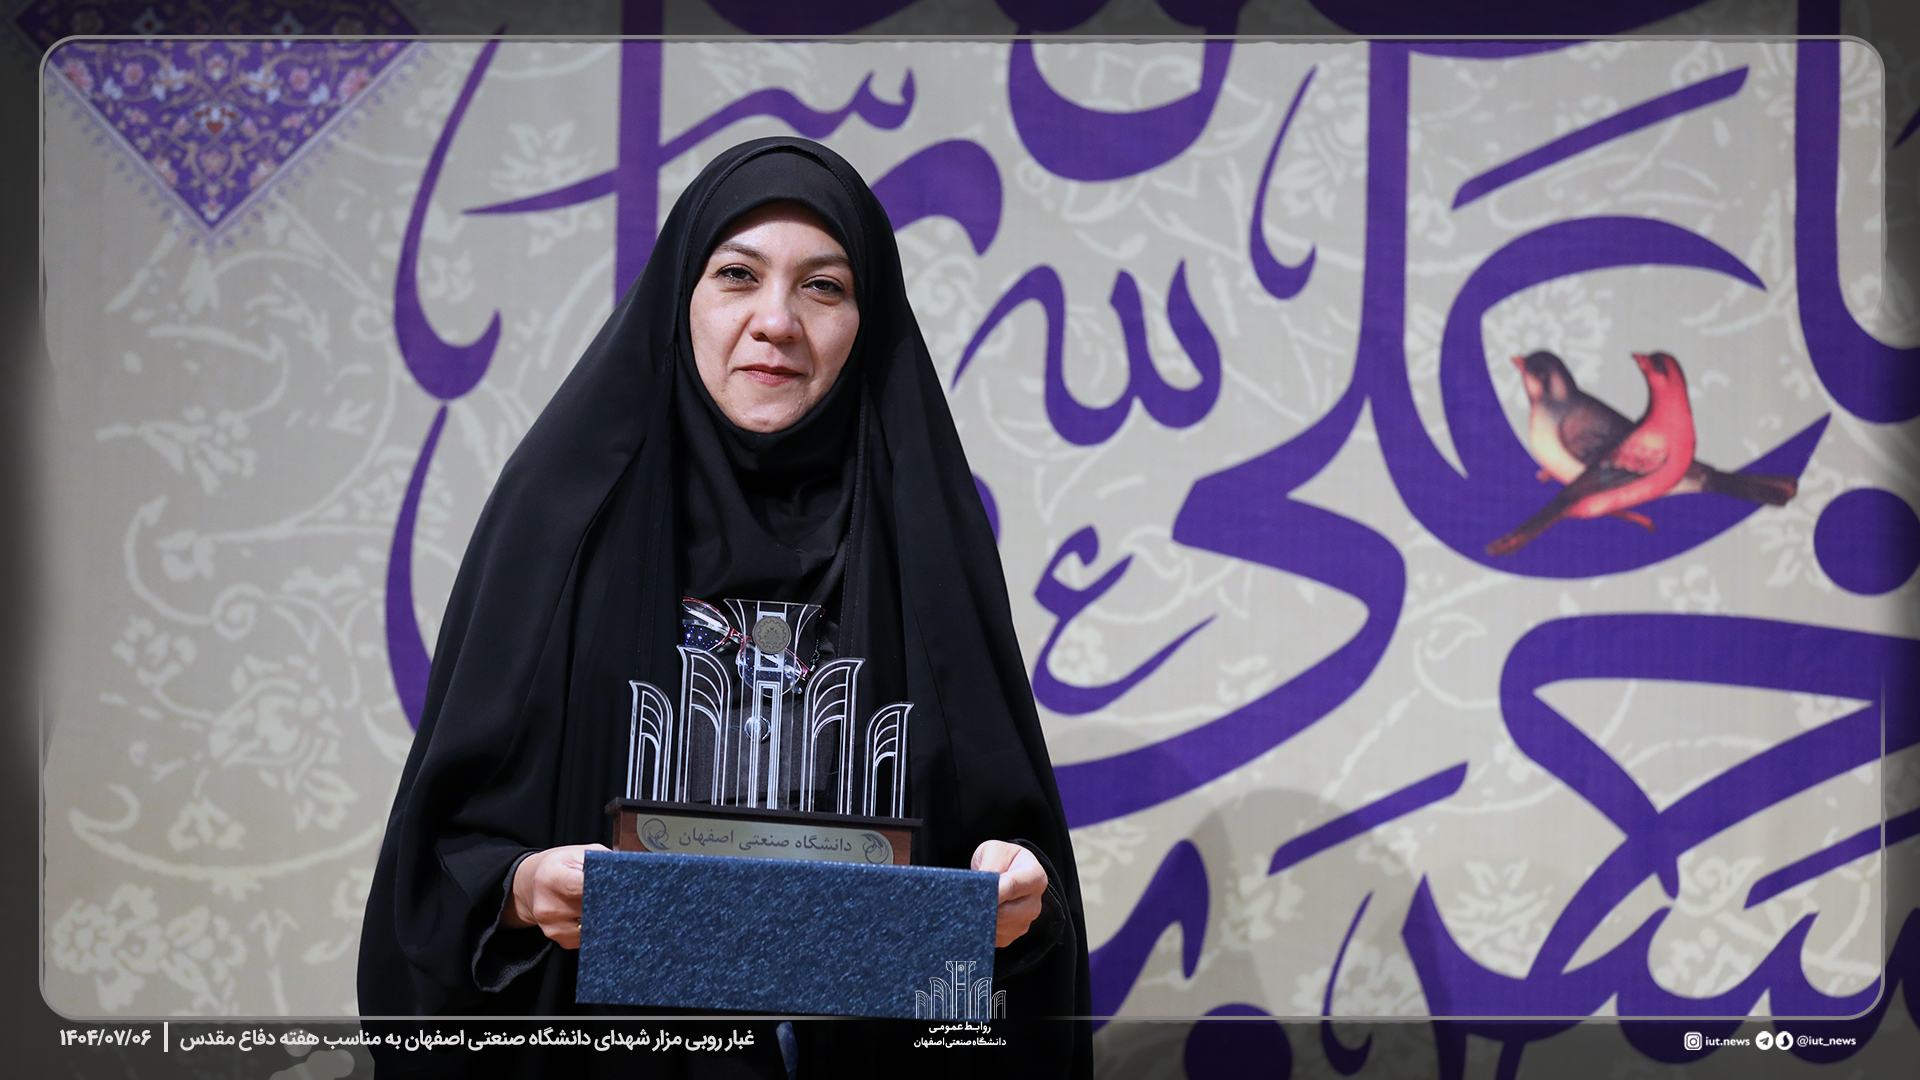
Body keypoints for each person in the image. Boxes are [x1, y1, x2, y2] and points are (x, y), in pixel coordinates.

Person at [358, 136, 1092, 1077]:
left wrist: (1018, 894)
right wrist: (522, 887)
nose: (775, 321)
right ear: (682, 297)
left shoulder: (927, 541)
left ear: (867, 320)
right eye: (738, 275)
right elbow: (438, 859)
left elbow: (1015, 862)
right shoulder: (558, 520)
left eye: (823, 286)